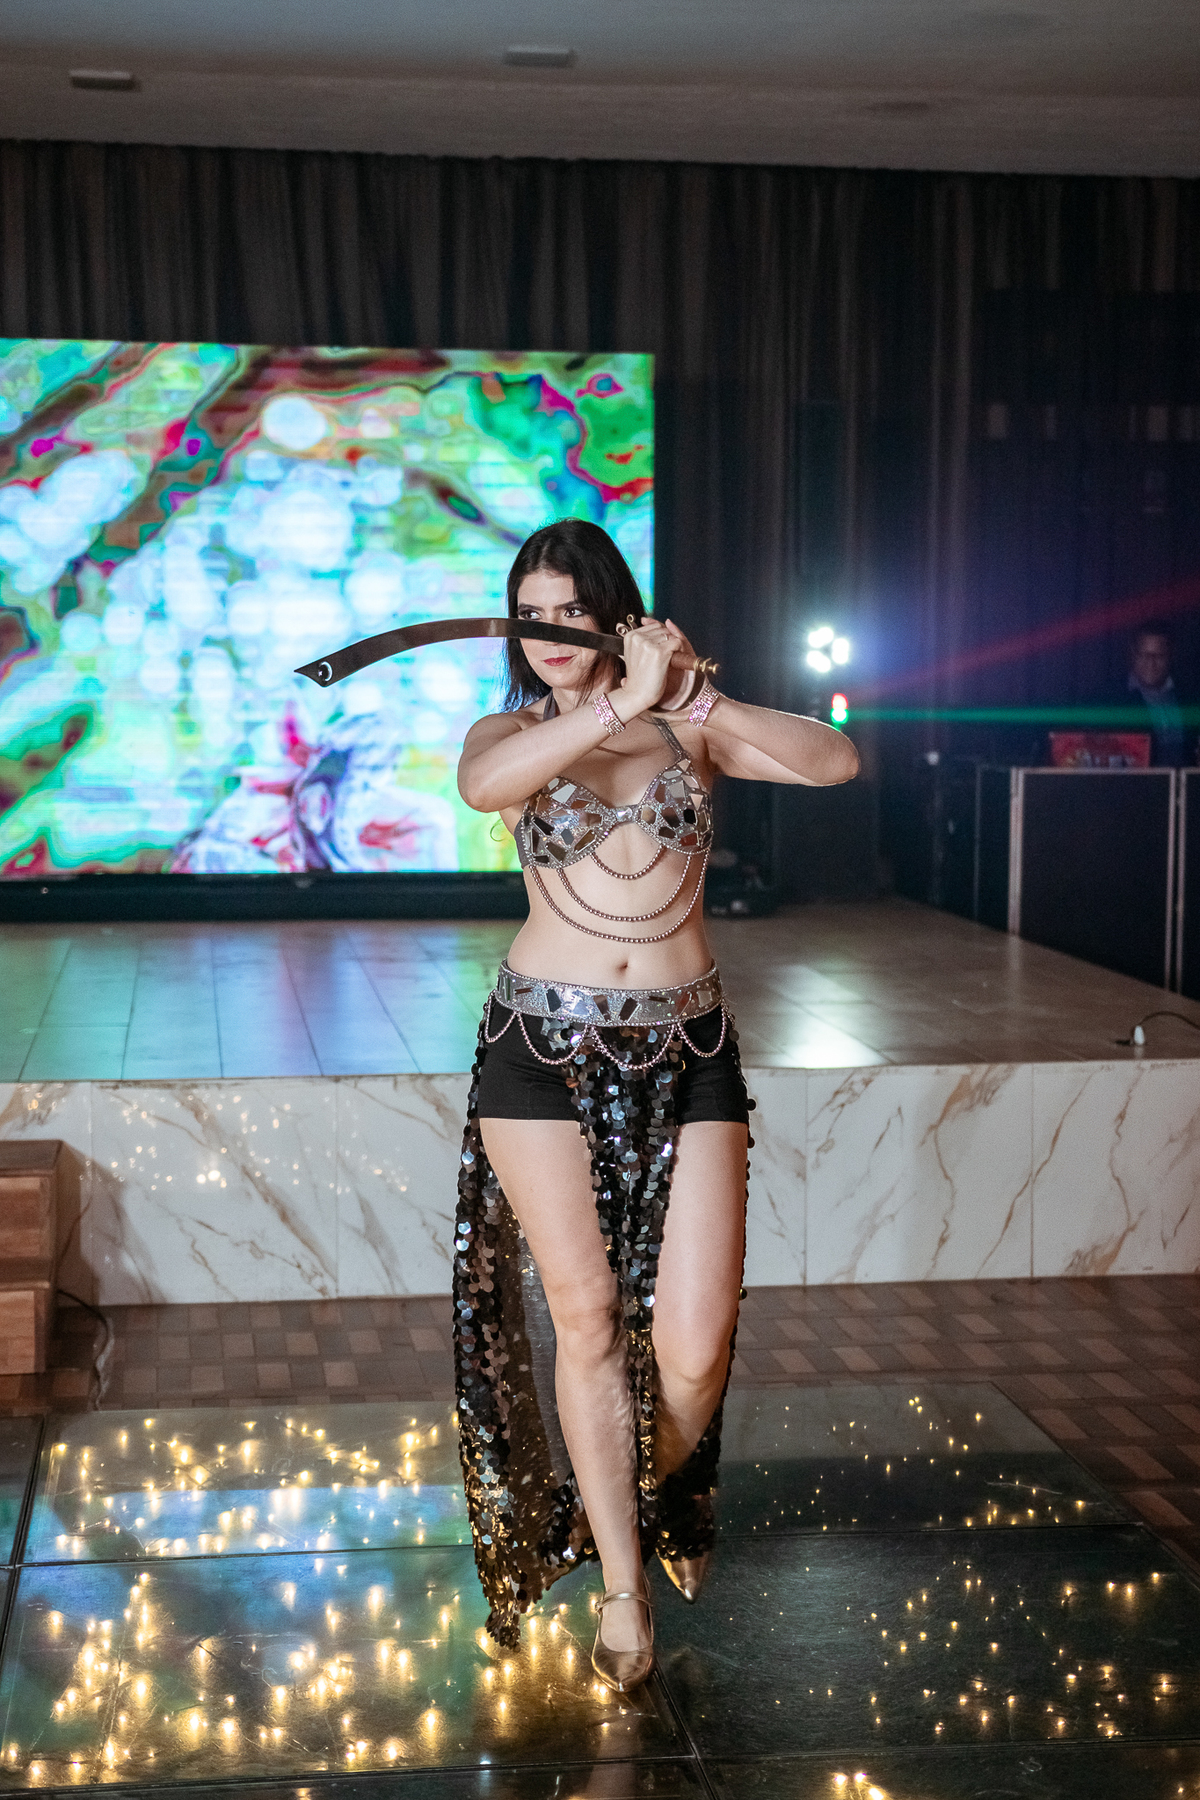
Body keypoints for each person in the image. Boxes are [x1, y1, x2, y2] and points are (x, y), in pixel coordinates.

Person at [453, 518, 858, 1693]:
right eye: (530, 614)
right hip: (538, 1052)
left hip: (690, 1047)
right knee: (584, 1319)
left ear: (614, 617)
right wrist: (615, 703)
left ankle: (620, 1499)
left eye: (571, 613)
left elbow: (834, 763)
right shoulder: (512, 734)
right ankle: (625, 1589)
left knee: (694, 1346)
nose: (548, 634)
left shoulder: (692, 729)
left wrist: (693, 698)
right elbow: (482, 790)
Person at [1114, 622, 1192, 767]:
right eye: (1144, 655)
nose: (1151, 663)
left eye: (1159, 656)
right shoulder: (1113, 699)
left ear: (1171, 656)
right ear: (1132, 654)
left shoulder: (1189, 696)